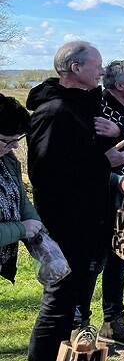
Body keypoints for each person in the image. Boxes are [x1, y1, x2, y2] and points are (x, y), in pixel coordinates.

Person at [26, 41, 124, 361]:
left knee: (74, 306)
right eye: (96, 65)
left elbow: (100, 147)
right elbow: (45, 174)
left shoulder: (87, 103)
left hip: (92, 220)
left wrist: (117, 131)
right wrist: (106, 162)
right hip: (66, 225)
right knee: (58, 306)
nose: (102, 70)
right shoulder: (54, 110)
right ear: (75, 68)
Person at [77, 60, 124, 347]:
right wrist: (115, 180)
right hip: (102, 194)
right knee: (94, 260)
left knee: (122, 255)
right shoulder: (95, 106)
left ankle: (113, 322)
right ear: (120, 85)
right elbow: (88, 158)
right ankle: (80, 325)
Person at [0, 94, 43, 284]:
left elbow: (20, 201)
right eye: (8, 140)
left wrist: (38, 231)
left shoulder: (6, 160)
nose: (15, 146)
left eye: (18, 139)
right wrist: (21, 229)